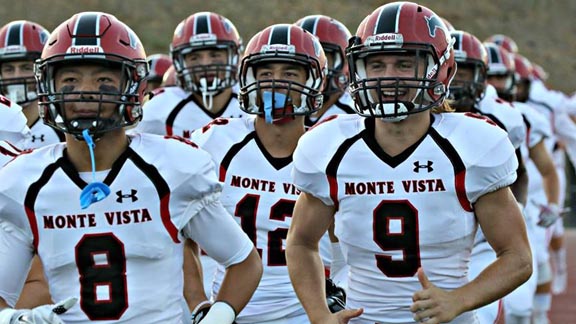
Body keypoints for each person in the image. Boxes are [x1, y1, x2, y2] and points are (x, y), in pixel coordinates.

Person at [0, 11, 262, 324]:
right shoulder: (23, 182)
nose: (85, 91)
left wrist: (219, 314)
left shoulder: (171, 169)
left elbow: (243, 260)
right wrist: (14, 319)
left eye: (103, 80)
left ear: (132, 86)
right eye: (70, 79)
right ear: (48, 86)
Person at [285, 2, 533, 324]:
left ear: (440, 70)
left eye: (404, 64)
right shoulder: (331, 145)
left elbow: (518, 257)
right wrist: (318, 313)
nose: (389, 77)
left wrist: (459, 300)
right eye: (376, 65)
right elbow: (301, 243)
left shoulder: (470, 145)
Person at [190, 23, 327, 323]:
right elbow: (180, 231)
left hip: (307, 311)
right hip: (227, 309)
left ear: (314, 82)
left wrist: (335, 293)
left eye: (290, 74)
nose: (276, 83)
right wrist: (199, 304)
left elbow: (350, 244)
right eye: (265, 74)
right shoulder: (214, 141)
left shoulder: (330, 148)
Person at [134, 11, 247, 138]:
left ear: (234, 56)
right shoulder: (160, 107)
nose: (206, 64)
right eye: (194, 57)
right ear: (179, 62)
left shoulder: (251, 100)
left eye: (215, 55)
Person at [0, 20, 65, 149]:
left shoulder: (64, 131)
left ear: (44, 71)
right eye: (9, 69)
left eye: (26, 68)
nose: (17, 76)